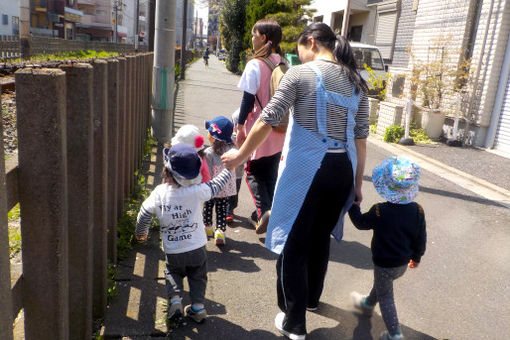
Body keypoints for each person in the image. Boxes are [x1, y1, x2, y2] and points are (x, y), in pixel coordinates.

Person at [222, 23, 369, 339]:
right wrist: (357, 186)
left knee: (293, 242)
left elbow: (267, 119)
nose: (298, 54)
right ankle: (311, 300)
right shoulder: (357, 81)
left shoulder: (300, 74)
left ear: (311, 42)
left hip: (308, 169)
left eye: (300, 47)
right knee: (319, 239)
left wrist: (239, 156)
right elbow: (360, 139)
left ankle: (294, 322)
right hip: (342, 170)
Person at [134, 144, 234, 325]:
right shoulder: (196, 191)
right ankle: (198, 309)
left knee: (173, 273)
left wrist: (142, 233)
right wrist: (230, 168)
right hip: (197, 248)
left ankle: (175, 301)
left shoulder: (159, 193)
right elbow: (216, 185)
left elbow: (144, 212)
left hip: (174, 250)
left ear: (166, 170)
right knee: (198, 276)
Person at [348, 156, 426, 340]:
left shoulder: (379, 211)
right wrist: (417, 257)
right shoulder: (418, 211)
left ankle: (395, 334)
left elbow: (360, 223)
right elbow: (421, 238)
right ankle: (367, 303)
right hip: (403, 263)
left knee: (386, 297)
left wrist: (353, 207)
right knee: (383, 285)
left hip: (384, 263)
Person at [235, 18, 286, 232]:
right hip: (280, 128)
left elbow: (248, 99)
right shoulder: (283, 62)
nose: (252, 38)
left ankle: (264, 210)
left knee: (253, 171)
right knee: (271, 173)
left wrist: (240, 127)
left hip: (260, 125)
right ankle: (269, 214)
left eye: (255, 35)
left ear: (264, 38)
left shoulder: (255, 64)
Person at [202, 116, 237, 246]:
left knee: (208, 207)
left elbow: (207, 173)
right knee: (222, 209)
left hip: (210, 187)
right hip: (224, 188)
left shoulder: (208, 152)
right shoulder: (231, 150)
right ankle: (220, 232)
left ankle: (207, 228)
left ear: (212, 136)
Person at [227, 109, 246, 223]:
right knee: (234, 191)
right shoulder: (247, 138)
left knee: (227, 190)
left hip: (227, 170)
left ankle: (228, 211)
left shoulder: (228, 137)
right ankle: (230, 210)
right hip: (238, 172)